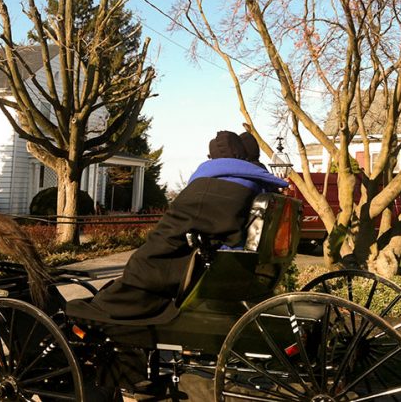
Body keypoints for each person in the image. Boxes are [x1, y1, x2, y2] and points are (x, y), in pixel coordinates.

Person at [67, 130, 288, 324]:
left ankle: (115, 308)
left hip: (209, 266)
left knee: (143, 263)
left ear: (214, 158)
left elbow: (174, 227)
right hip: (239, 262)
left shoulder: (211, 186)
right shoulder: (251, 184)